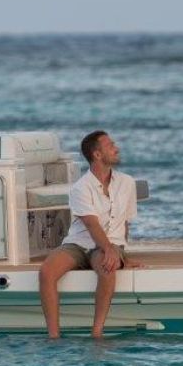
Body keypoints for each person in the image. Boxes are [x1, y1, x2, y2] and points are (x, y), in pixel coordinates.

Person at [39, 130, 143, 339]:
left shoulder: (127, 182)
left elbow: (125, 223)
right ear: (97, 154)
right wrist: (110, 250)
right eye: (110, 146)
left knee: (107, 268)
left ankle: (96, 333)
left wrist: (121, 253)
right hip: (79, 243)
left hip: (109, 244)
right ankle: (53, 336)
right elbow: (92, 225)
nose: (116, 148)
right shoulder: (81, 188)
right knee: (46, 272)